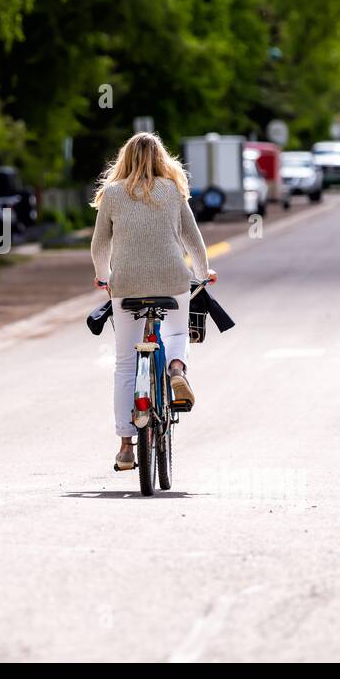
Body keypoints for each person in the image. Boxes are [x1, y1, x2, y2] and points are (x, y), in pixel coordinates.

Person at [90, 133, 216, 471]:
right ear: (162, 159)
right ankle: (176, 369)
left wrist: (103, 275)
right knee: (176, 336)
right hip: (172, 280)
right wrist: (203, 272)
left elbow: (100, 245)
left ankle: (125, 446)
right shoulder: (173, 191)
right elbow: (193, 239)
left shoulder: (113, 195)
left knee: (124, 365)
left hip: (126, 285)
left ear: (124, 158)